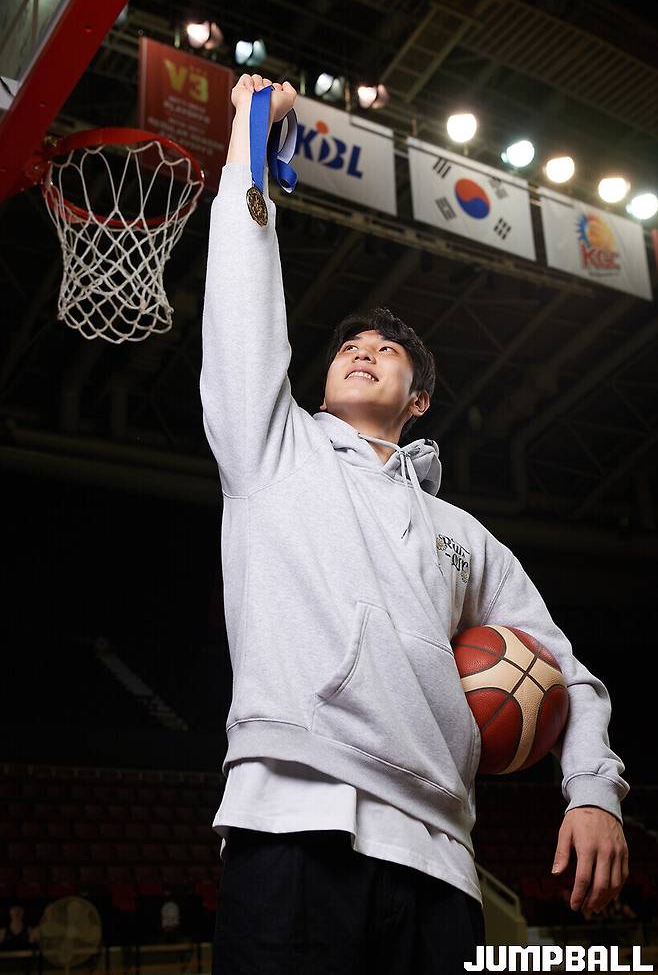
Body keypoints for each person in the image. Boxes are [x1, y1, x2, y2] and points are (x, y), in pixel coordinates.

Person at [201, 72, 630, 974]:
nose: (362, 350)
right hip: (294, 818)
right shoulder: (271, 449)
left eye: (386, 350)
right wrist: (250, 140)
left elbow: (568, 673)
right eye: (349, 347)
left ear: (419, 399)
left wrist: (593, 786)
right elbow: (241, 295)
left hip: (442, 860)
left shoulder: (466, 536)